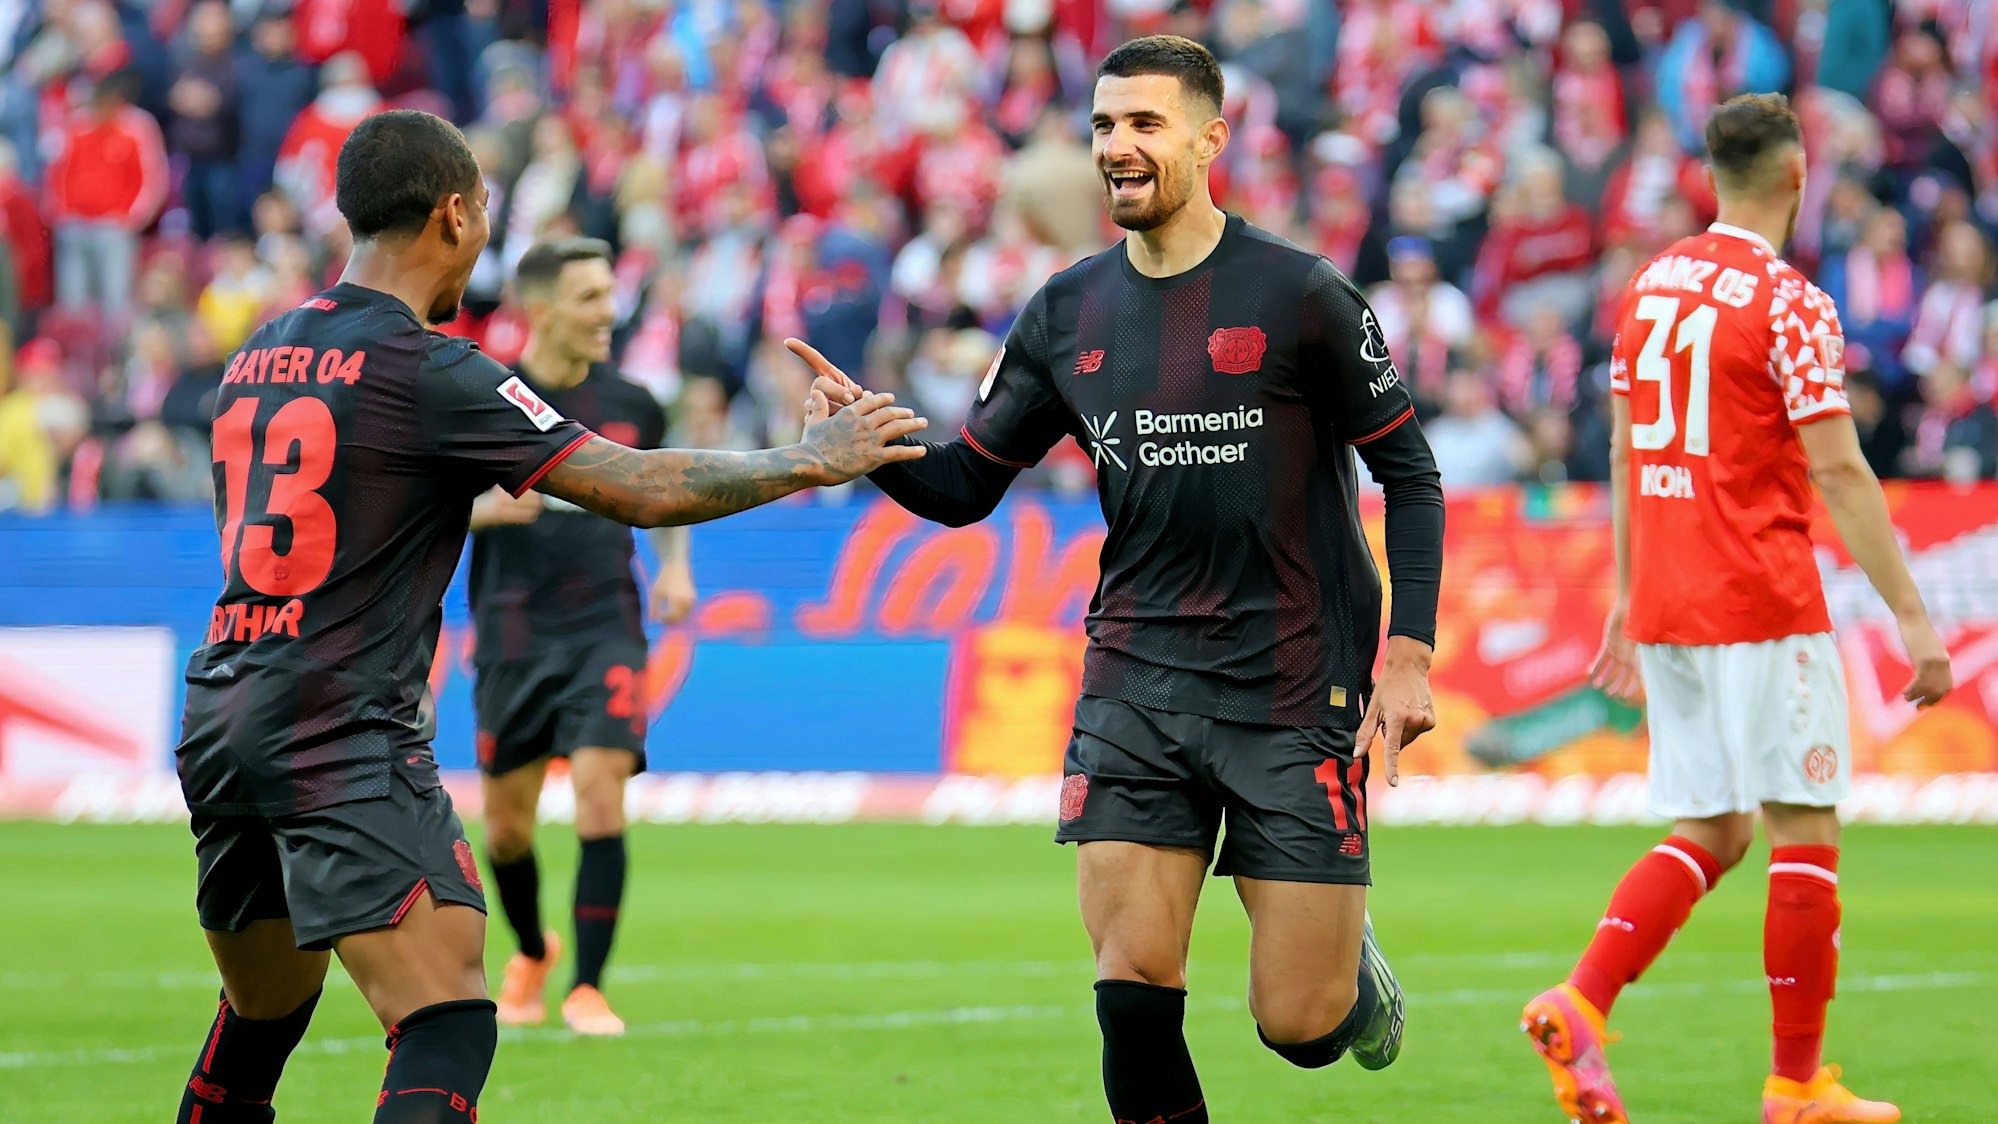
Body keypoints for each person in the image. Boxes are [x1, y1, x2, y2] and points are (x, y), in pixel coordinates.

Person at [171, 109, 925, 1124]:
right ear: (455, 214)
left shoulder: (261, 352)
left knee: (260, 1019)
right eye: (485, 210)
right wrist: (809, 460)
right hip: (336, 721)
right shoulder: (433, 367)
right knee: (446, 1019)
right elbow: (638, 486)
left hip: (222, 711)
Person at [795, 36, 1443, 1123]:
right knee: (1132, 987)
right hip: (1136, 679)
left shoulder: (1302, 293)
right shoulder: (1066, 311)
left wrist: (1409, 655)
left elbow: (1411, 477)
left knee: (1298, 1023)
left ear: (1211, 138)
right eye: (1103, 126)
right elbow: (965, 484)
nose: (1117, 146)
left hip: (1295, 684)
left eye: (1144, 124)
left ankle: (1346, 970)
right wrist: (867, 446)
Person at [1522, 93, 1954, 1124]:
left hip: (1670, 596)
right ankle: (1797, 1084)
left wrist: (1628, 593)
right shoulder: (1790, 299)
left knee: (1714, 827)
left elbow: (1624, 449)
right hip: (1760, 595)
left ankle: (1581, 1000)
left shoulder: (1648, 285)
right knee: (1804, 827)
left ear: (1710, 177)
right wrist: (1913, 615)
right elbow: (1838, 468)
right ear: (1798, 176)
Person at [465, 237, 697, 1037]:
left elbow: (668, 491)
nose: (609, 312)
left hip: (605, 622)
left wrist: (674, 567)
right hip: (512, 629)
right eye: (590, 297)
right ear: (541, 308)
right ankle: (533, 950)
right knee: (506, 829)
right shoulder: (485, 398)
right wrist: (484, 509)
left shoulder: (634, 403)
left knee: (602, 790)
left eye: (609, 294)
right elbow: (425, 503)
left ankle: (588, 989)